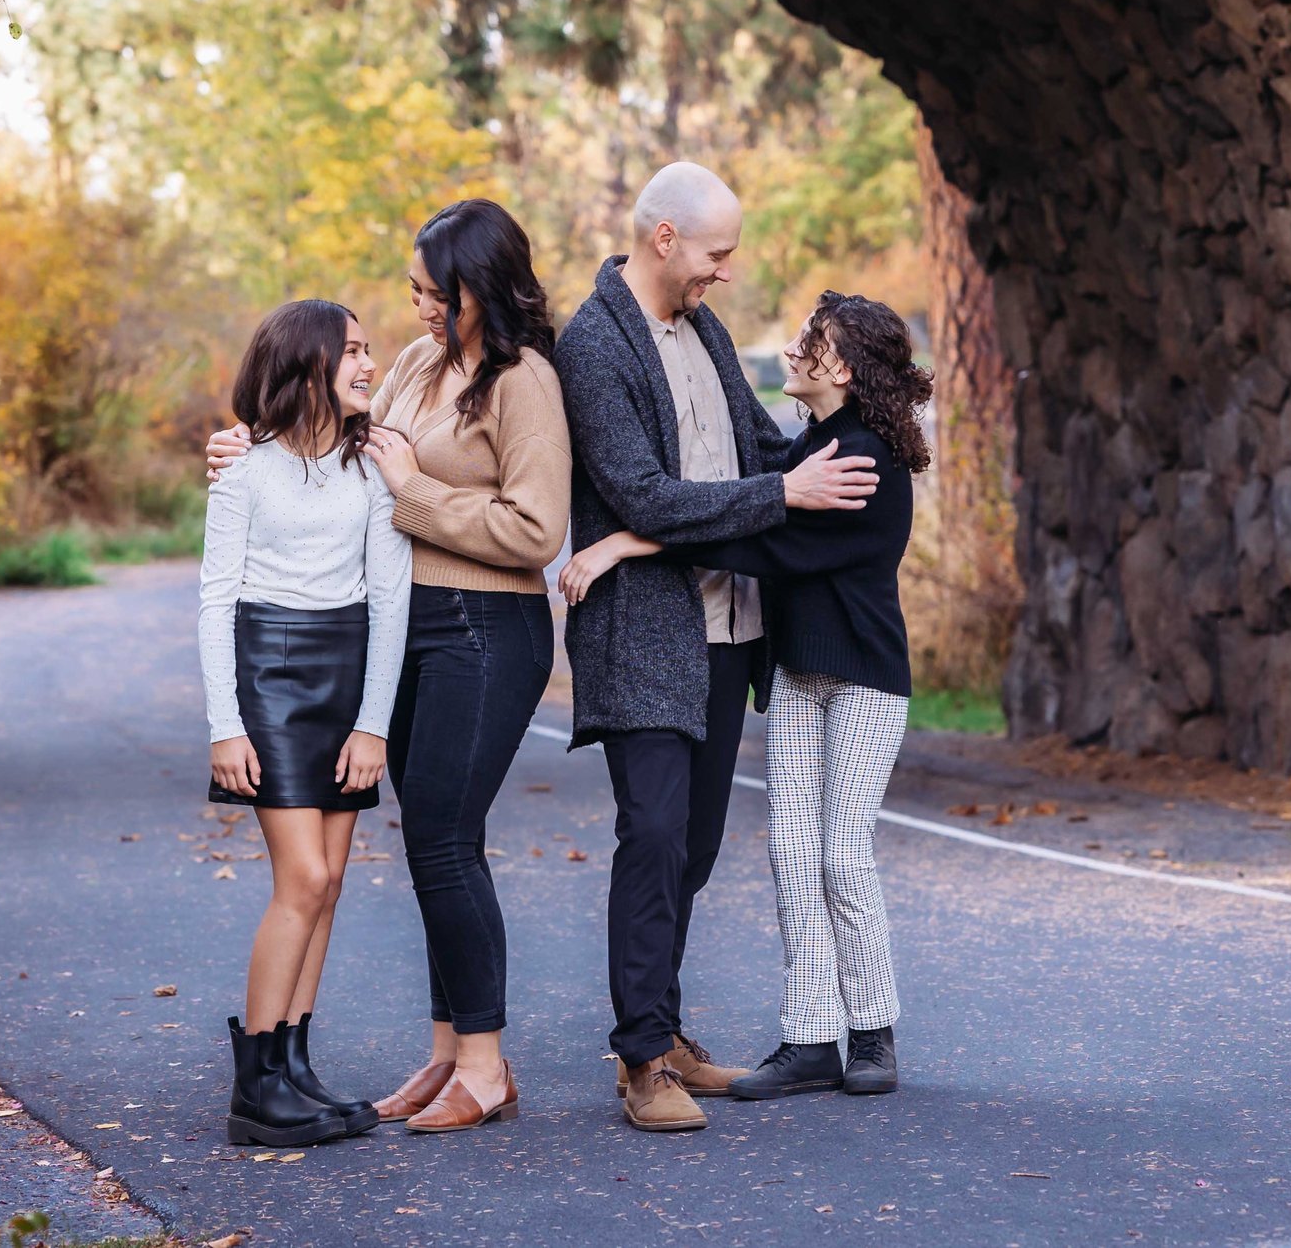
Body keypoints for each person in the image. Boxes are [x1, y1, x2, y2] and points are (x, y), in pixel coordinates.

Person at [206, 201, 569, 1133]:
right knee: (429, 842)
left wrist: (416, 492)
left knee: (445, 838)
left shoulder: (523, 380)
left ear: (472, 287)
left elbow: (536, 528)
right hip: (406, 631)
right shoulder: (416, 364)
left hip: (489, 626)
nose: (413, 308)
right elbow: (338, 437)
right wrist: (252, 444)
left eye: (426, 289)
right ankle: (448, 1051)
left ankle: (485, 1065)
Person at [550, 161, 878, 1133]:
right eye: (715, 253)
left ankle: (666, 1027)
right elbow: (643, 493)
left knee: (691, 846)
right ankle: (642, 1057)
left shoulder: (704, 330)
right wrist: (785, 495)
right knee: (651, 835)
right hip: (641, 630)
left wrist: (859, 437)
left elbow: (756, 446)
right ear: (663, 238)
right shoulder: (592, 343)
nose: (723, 272)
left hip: (728, 628)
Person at [201, 299, 412, 1149]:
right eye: (353, 351)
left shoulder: (373, 467)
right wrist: (226, 724)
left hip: (347, 670)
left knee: (329, 879)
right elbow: (216, 599)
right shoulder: (244, 469)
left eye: (370, 348)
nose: (369, 362)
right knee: (303, 880)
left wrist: (374, 725)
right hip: (270, 674)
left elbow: (389, 598)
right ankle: (254, 1088)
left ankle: (292, 1063)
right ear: (307, 366)